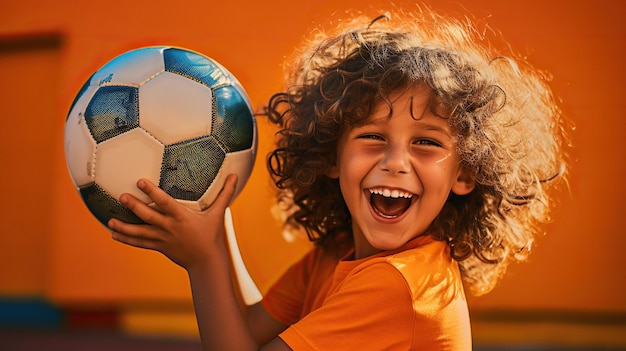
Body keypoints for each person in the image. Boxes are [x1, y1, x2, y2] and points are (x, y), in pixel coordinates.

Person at [108, 5, 568, 350]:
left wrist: (201, 261)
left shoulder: (397, 286)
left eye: (426, 142)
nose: (396, 161)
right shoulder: (337, 254)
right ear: (331, 155)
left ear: (465, 171)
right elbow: (246, 330)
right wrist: (215, 211)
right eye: (372, 135)